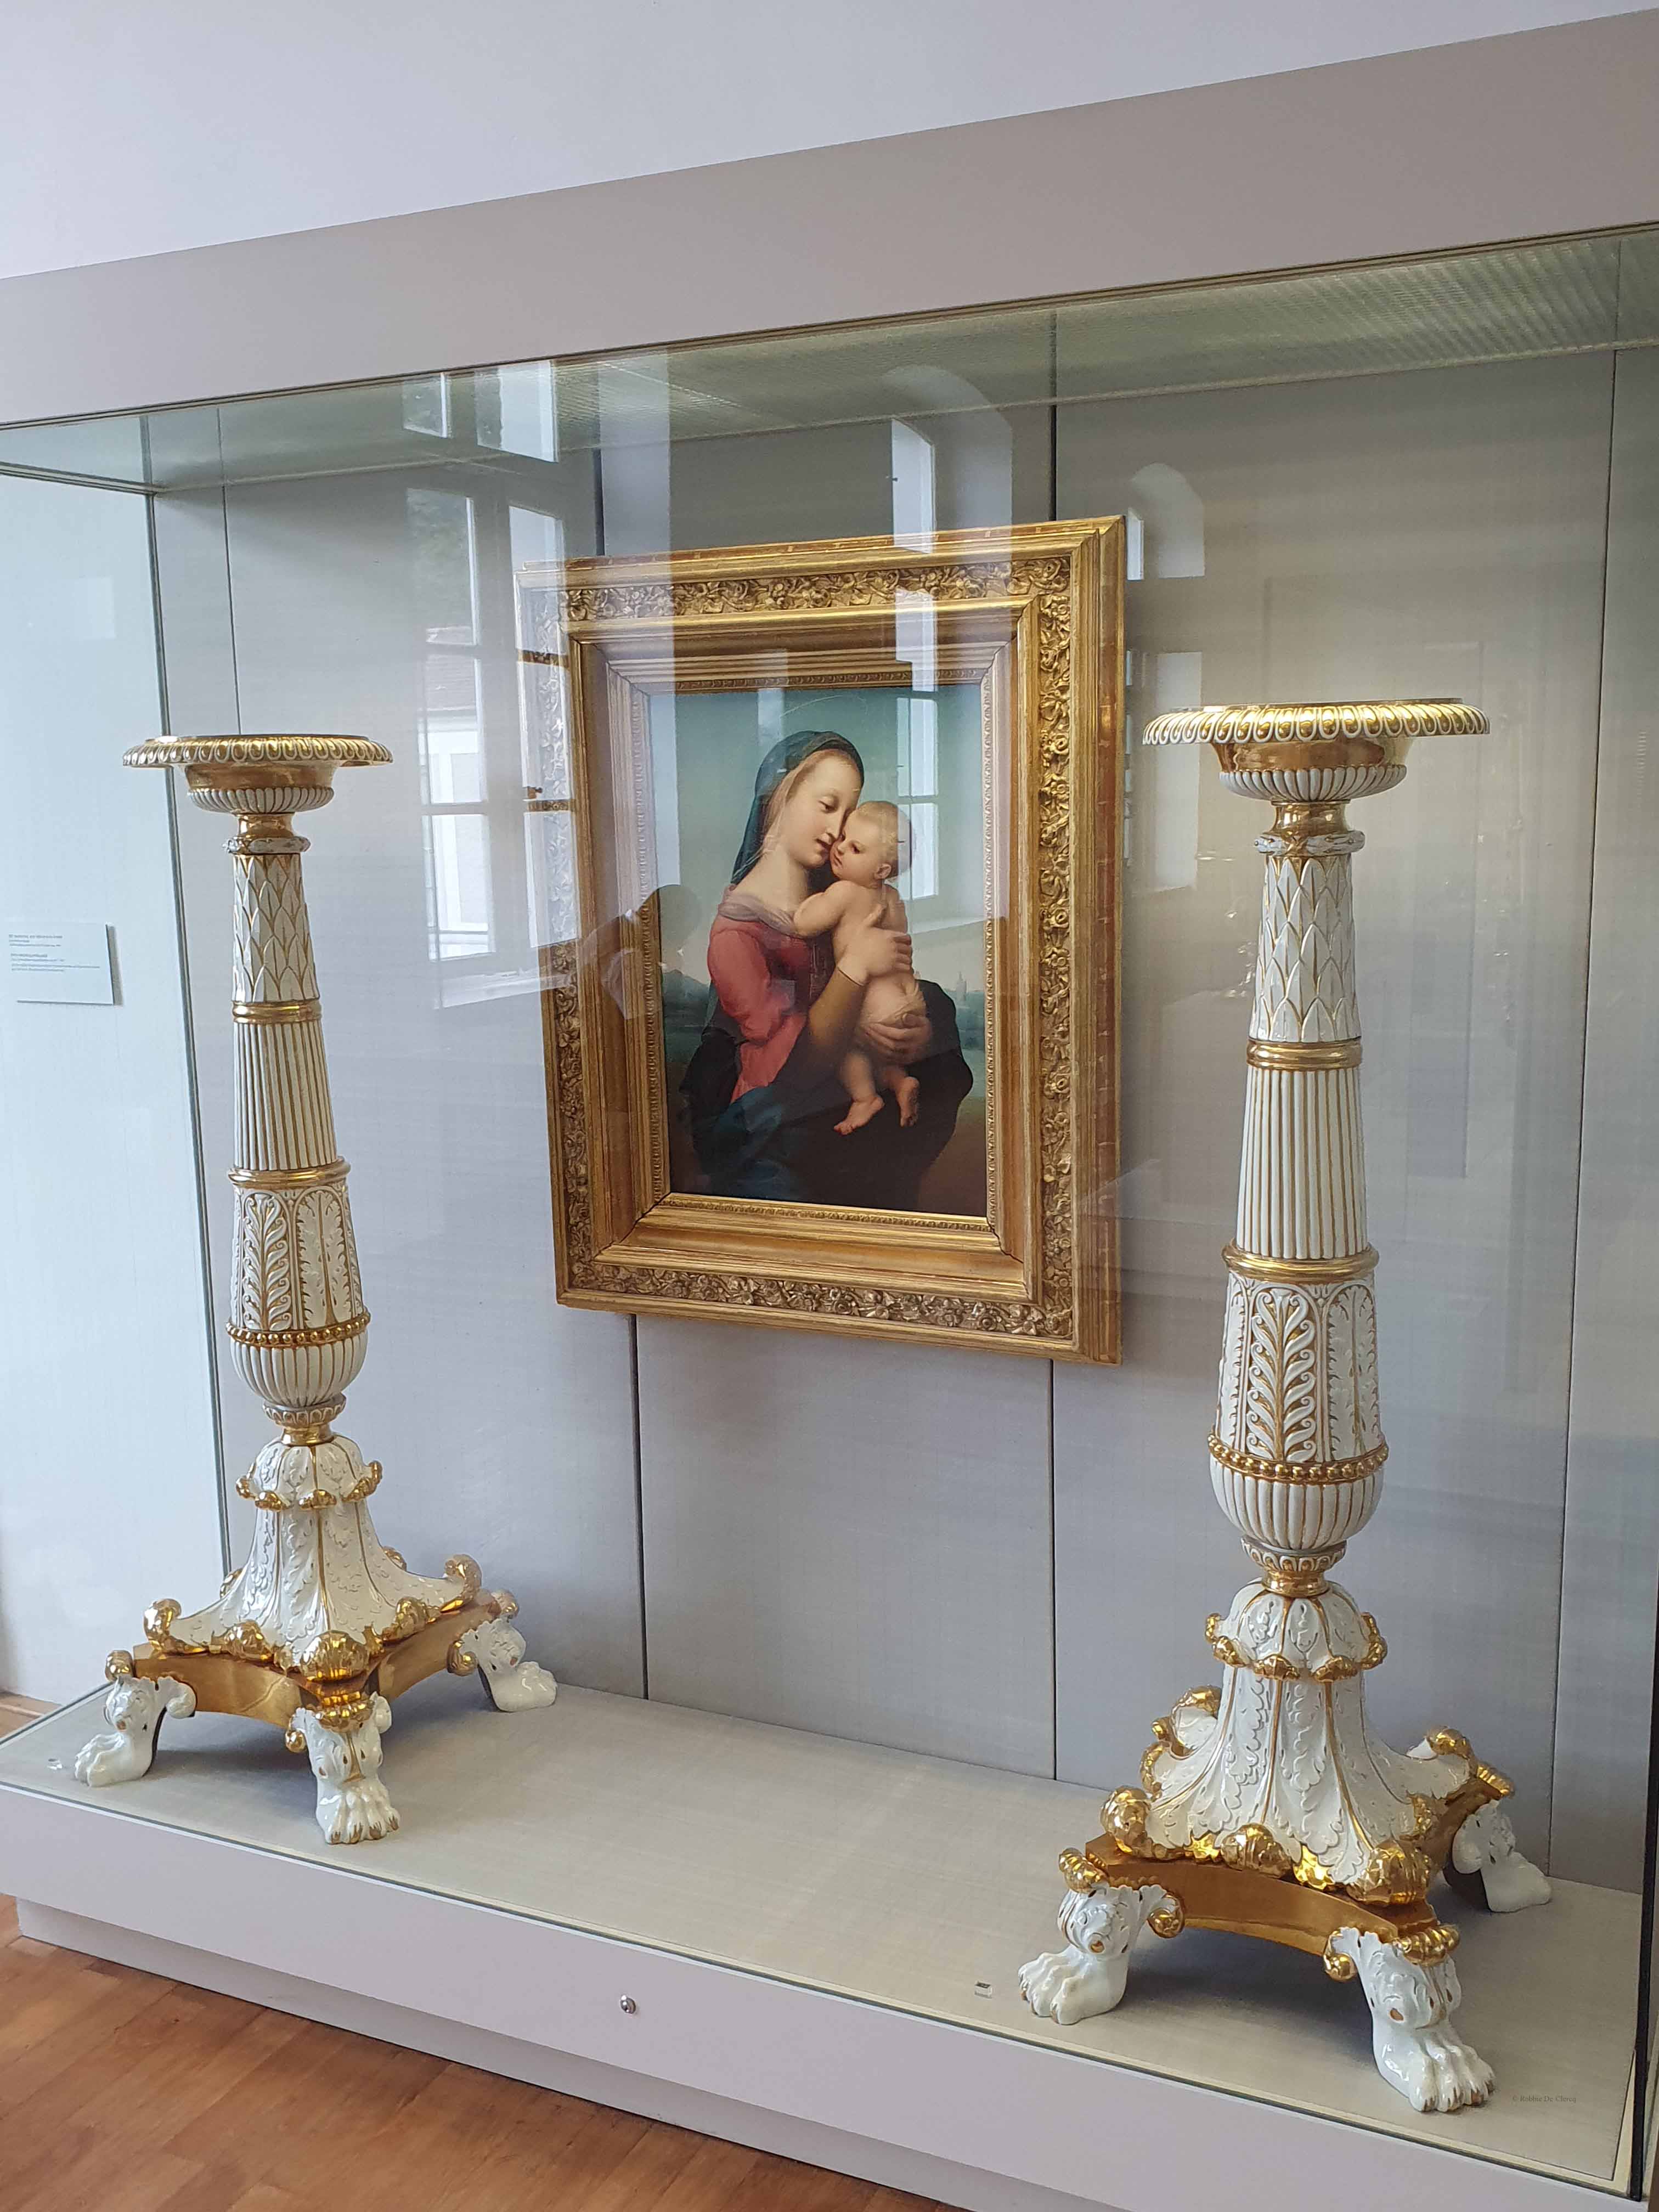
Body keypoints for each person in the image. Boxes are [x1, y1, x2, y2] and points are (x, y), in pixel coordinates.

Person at [681, 730, 973, 1207]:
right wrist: (857, 970)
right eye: (827, 805)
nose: (838, 830)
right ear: (781, 797)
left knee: (937, 1008)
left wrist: (911, 1035)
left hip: (840, 1079)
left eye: (849, 813)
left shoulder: (837, 894)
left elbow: (891, 977)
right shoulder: (739, 931)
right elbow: (793, 1064)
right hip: (780, 1101)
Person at [793, 801, 930, 1135]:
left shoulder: (844, 892)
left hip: (874, 1005)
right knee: (882, 1056)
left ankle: (865, 1098)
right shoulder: (893, 899)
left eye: (855, 848)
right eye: (843, 838)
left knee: (848, 1048)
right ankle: (900, 1082)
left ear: (881, 871)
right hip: (907, 1000)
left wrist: (809, 902)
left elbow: (804, 924)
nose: (839, 849)